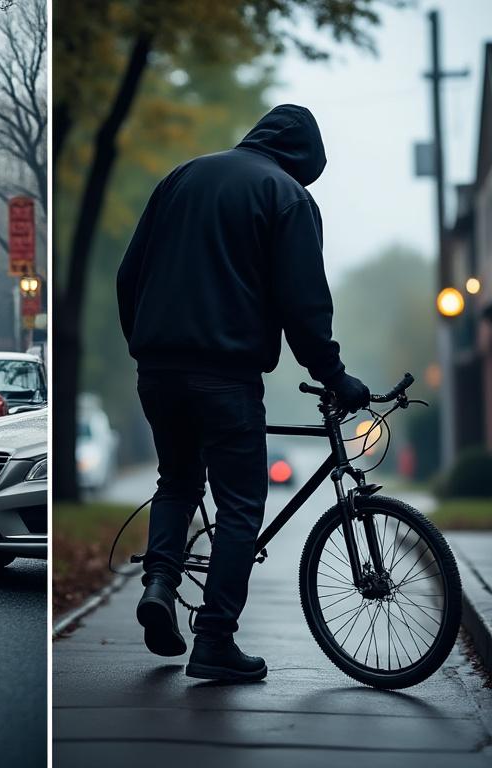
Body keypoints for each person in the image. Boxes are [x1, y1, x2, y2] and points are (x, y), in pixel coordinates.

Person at [116, 104, 370, 682]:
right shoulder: (286, 196)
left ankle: (159, 583)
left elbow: (128, 277)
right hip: (225, 375)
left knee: (177, 481)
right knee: (239, 504)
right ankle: (214, 640)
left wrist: (147, 346)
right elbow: (302, 303)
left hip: (156, 369)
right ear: (304, 160)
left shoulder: (179, 178)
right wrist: (334, 375)